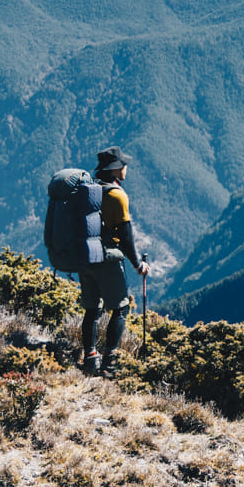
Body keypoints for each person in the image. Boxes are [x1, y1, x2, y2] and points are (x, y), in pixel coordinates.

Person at [78, 145, 150, 375]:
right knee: (120, 308)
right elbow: (126, 237)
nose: (126, 168)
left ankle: (90, 358)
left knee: (92, 309)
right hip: (107, 260)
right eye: (124, 164)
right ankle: (110, 361)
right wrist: (138, 264)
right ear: (116, 169)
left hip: (85, 257)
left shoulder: (88, 188)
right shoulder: (117, 195)